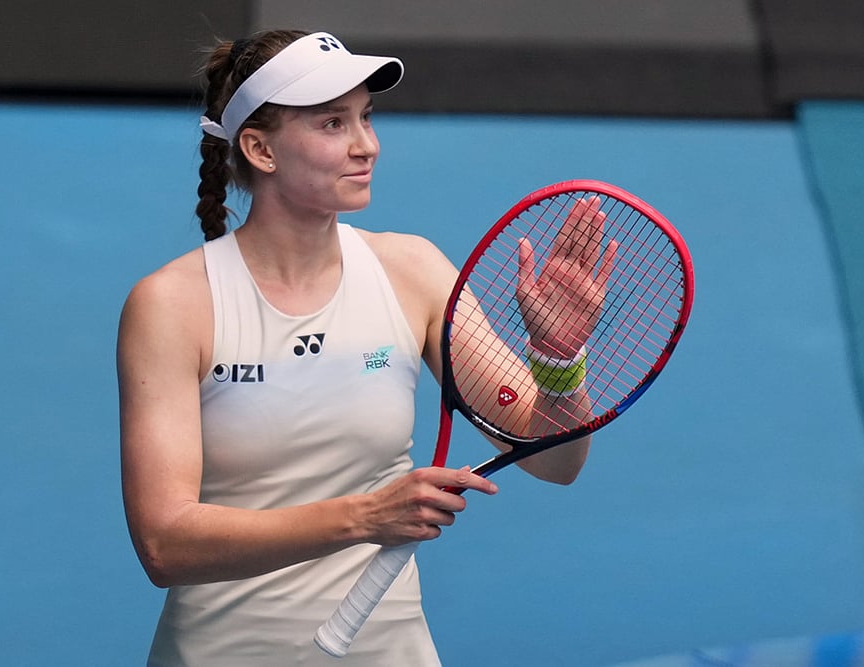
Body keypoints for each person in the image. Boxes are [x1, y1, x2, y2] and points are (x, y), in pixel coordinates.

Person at [118, 29, 603, 666]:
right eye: (331, 123)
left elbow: (552, 462)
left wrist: (559, 361)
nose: (365, 145)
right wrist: (364, 518)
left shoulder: (414, 272)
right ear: (260, 149)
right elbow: (165, 544)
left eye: (366, 118)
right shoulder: (173, 304)